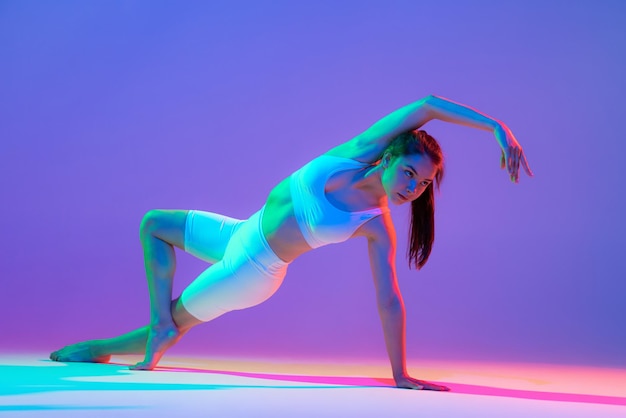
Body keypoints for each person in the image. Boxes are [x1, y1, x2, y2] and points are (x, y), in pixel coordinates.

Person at [50, 95, 532, 390]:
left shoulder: (373, 223)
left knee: (176, 322)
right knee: (154, 223)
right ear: (388, 157)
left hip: (251, 272)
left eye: (424, 184)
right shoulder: (357, 151)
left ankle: (107, 346)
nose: (413, 187)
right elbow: (428, 104)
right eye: (409, 173)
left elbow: (389, 301)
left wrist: (400, 373)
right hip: (241, 231)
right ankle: (156, 328)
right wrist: (498, 128)